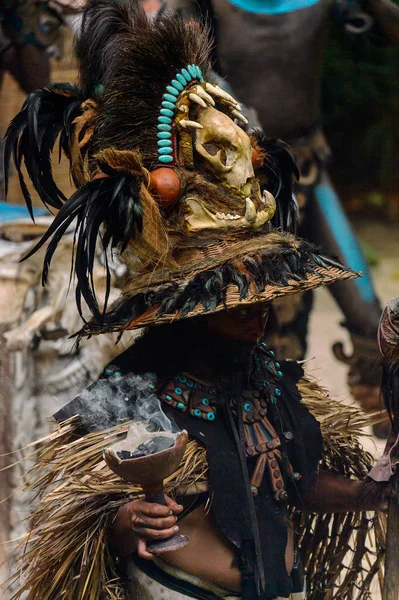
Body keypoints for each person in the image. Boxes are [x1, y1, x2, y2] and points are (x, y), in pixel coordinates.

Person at [3, 2, 393, 599]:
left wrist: (369, 492)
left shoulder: (267, 379)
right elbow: (78, 509)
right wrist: (123, 522)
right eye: (237, 305)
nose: (260, 313)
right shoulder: (131, 391)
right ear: (193, 312)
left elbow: (294, 483)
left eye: (263, 298)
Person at [167, 0, 399, 436]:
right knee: (252, 320)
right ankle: (254, 445)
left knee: (373, 323)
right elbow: (181, 60)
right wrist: (230, 109)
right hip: (239, 184)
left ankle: (387, 463)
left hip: (308, 168)